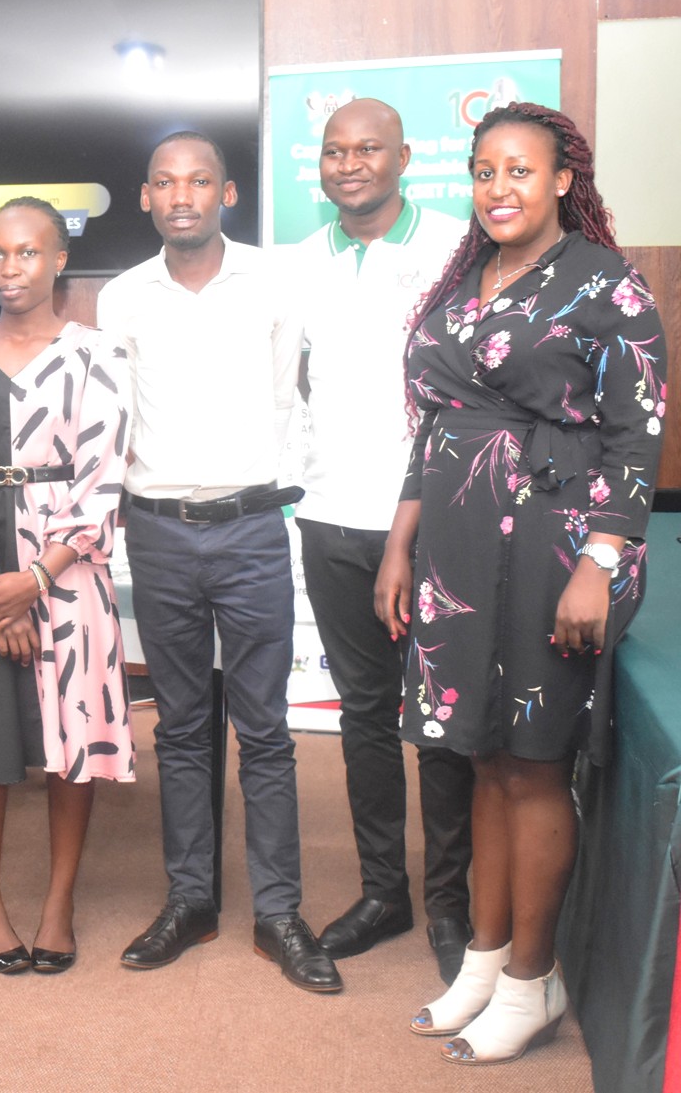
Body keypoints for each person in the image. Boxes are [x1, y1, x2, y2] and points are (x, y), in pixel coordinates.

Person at [378, 102, 666, 1064]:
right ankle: (487, 959)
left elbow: (638, 433)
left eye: (518, 170)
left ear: (560, 180)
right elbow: (436, 428)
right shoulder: (465, 279)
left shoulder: (606, 284)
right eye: (483, 171)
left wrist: (603, 558)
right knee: (483, 758)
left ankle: (535, 979)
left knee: (534, 764)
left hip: (557, 540)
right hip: (457, 544)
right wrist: (399, 545)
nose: (498, 188)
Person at [98, 131, 341, 993]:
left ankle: (278, 912)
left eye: (199, 180)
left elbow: (283, 393)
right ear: (145, 198)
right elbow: (113, 417)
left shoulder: (273, 283)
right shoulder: (122, 298)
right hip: (157, 531)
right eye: (165, 182)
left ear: (227, 192)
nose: (183, 195)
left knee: (265, 728)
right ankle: (191, 900)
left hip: (248, 530)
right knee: (182, 726)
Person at [0, 198, 132, 974]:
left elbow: (105, 481)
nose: (10, 269)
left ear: (60, 259)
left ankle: (58, 901)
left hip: (68, 568)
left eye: (28, 253)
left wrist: (34, 579)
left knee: (71, 746)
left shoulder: (97, 354)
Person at [290, 98, 476, 982]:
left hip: (436, 521)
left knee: (438, 718)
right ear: (318, 165)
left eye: (368, 149)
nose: (350, 163)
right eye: (335, 151)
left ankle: (450, 902)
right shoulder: (298, 264)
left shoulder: (454, 247)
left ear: (405, 157)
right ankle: (382, 891)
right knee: (365, 714)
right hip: (329, 517)